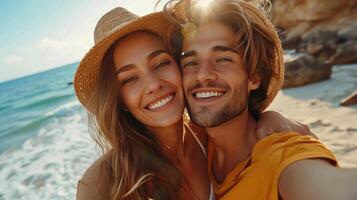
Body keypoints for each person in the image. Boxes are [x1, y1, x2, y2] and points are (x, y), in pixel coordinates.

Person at [74, 6, 314, 200]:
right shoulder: (100, 183)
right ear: (120, 100)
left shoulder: (211, 138)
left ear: (180, 66)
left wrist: (268, 117)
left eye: (160, 64)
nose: (153, 85)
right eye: (130, 79)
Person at [162, 0, 357, 199]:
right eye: (191, 62)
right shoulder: (196, 144)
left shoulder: (282, 153)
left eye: (223, 59)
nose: (203, 75)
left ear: (254, 77)